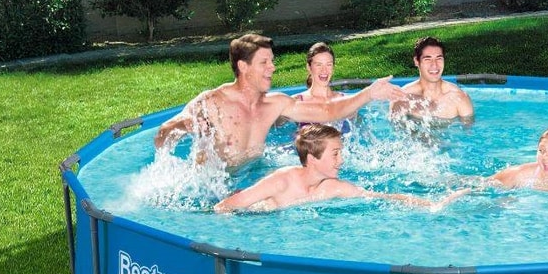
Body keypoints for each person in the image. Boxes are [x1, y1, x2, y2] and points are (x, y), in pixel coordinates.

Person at [153, 34, 403, 170]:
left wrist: (368, 94)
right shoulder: (210, 102)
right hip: (214, 188)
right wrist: (184, 127)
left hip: (254, 174)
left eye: (272, 61)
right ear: (243, 67)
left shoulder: (275, 104)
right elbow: (162, 134)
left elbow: (328, 111)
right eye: (265, 62)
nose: (272, 67)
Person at [213, 124, 432, 212]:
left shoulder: (332, 187)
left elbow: (382, 197)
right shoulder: (282, 182)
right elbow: (224, 207)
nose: (341, 160)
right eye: (335, 154)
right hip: (249, 214)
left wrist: (431, 205)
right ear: (312, 159)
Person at [390, 36, 475, 123]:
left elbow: (469, 129)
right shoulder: (402, 98)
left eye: (439, 58)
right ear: (416, 61)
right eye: (427, 59)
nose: (434, 65)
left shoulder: (460, 98)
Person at [290, 42, 352, 135]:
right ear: (309, 67)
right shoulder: (296, 102)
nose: (324, 70)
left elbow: (362, 131)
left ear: (333, 67)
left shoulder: (346, 101)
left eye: (329, 64)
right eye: (318, 65)